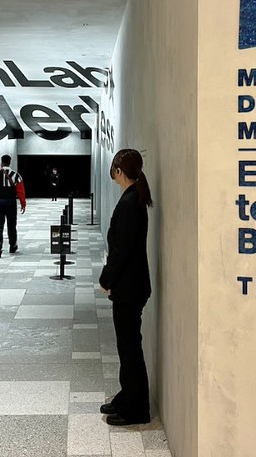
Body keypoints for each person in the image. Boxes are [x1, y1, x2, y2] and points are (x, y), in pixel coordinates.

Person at [98, 148, 153, 427]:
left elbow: (121, 250)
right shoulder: (133, 198)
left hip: (130, 288)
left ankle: (137, 409)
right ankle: (127, 397)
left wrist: (106, 278)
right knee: (127, 347)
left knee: (130, 350)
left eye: (114, 170)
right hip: (131, 286)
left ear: (120, 171)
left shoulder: (131, 202)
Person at [0, 154, 26, 259]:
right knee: (11, 225)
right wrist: (22, 203)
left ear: (1, 162)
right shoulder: (16, 175)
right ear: (10, 162)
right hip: (11, 202)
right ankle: (12, 246)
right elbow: (20, 190)